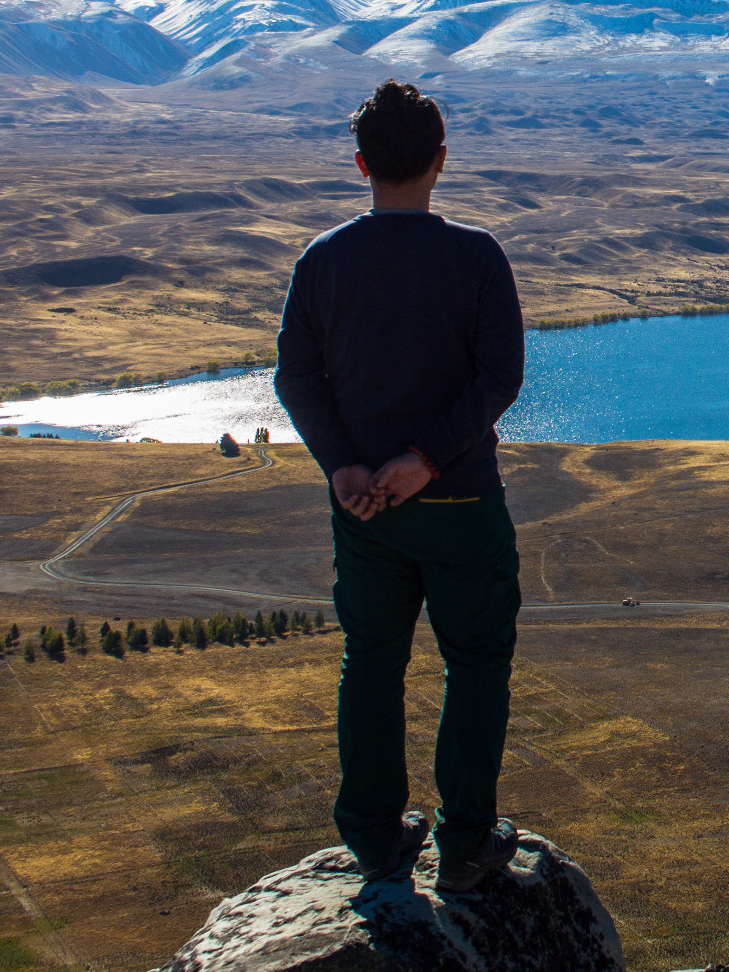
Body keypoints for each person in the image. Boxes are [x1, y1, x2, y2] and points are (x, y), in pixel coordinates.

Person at [274, 79, 526, 891]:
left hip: (366, 510)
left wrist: (343, 464)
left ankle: (376, 837)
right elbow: (499, 378)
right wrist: (428, 459)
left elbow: (296, 377)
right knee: (476, 662)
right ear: (441, 160)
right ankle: (466, 843)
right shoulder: (477, 257)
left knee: (373, 660)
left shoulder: (323, 260)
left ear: (360, 164)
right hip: (461, 504)